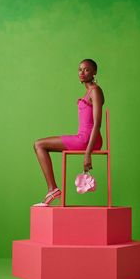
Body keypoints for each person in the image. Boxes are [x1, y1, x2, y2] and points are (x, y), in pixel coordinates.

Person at [32, 58, 105, 207]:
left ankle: (52, 189)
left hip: (87, 139)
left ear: (94, 72)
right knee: (39, 145)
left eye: (86, 69)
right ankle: (52, 189)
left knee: (39, 144)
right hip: (84, 138)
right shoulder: (89, 92)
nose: (82, 72)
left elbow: (97, 123)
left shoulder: (95, 91)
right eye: (80, 69)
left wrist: (87, 153)